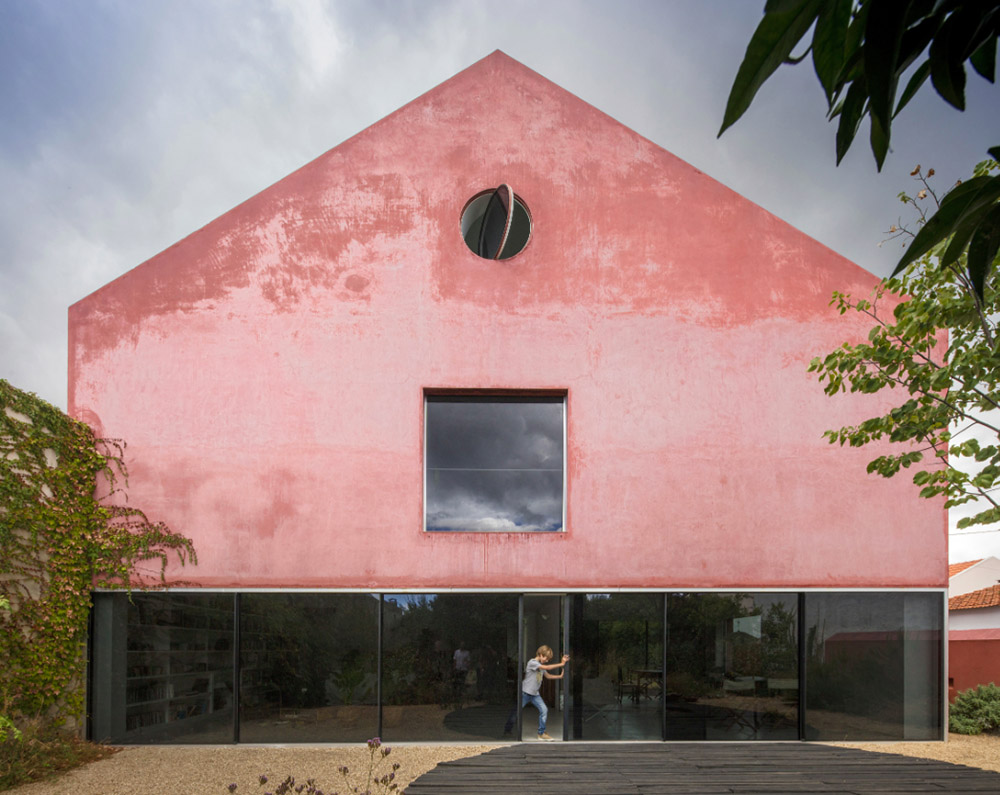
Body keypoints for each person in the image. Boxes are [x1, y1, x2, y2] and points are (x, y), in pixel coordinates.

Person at [504, 645, 569, 741]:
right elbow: (547, 667)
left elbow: (548, 676)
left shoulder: (541, 666)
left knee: (544, 710)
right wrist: (562, 663)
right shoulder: (532, 662)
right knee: (516, 712)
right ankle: (507, 730)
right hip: (525, 693)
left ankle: (541, 733)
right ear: (541, 654)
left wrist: (559, 676)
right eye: (546, 658)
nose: (547, 660)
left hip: (535, 694)